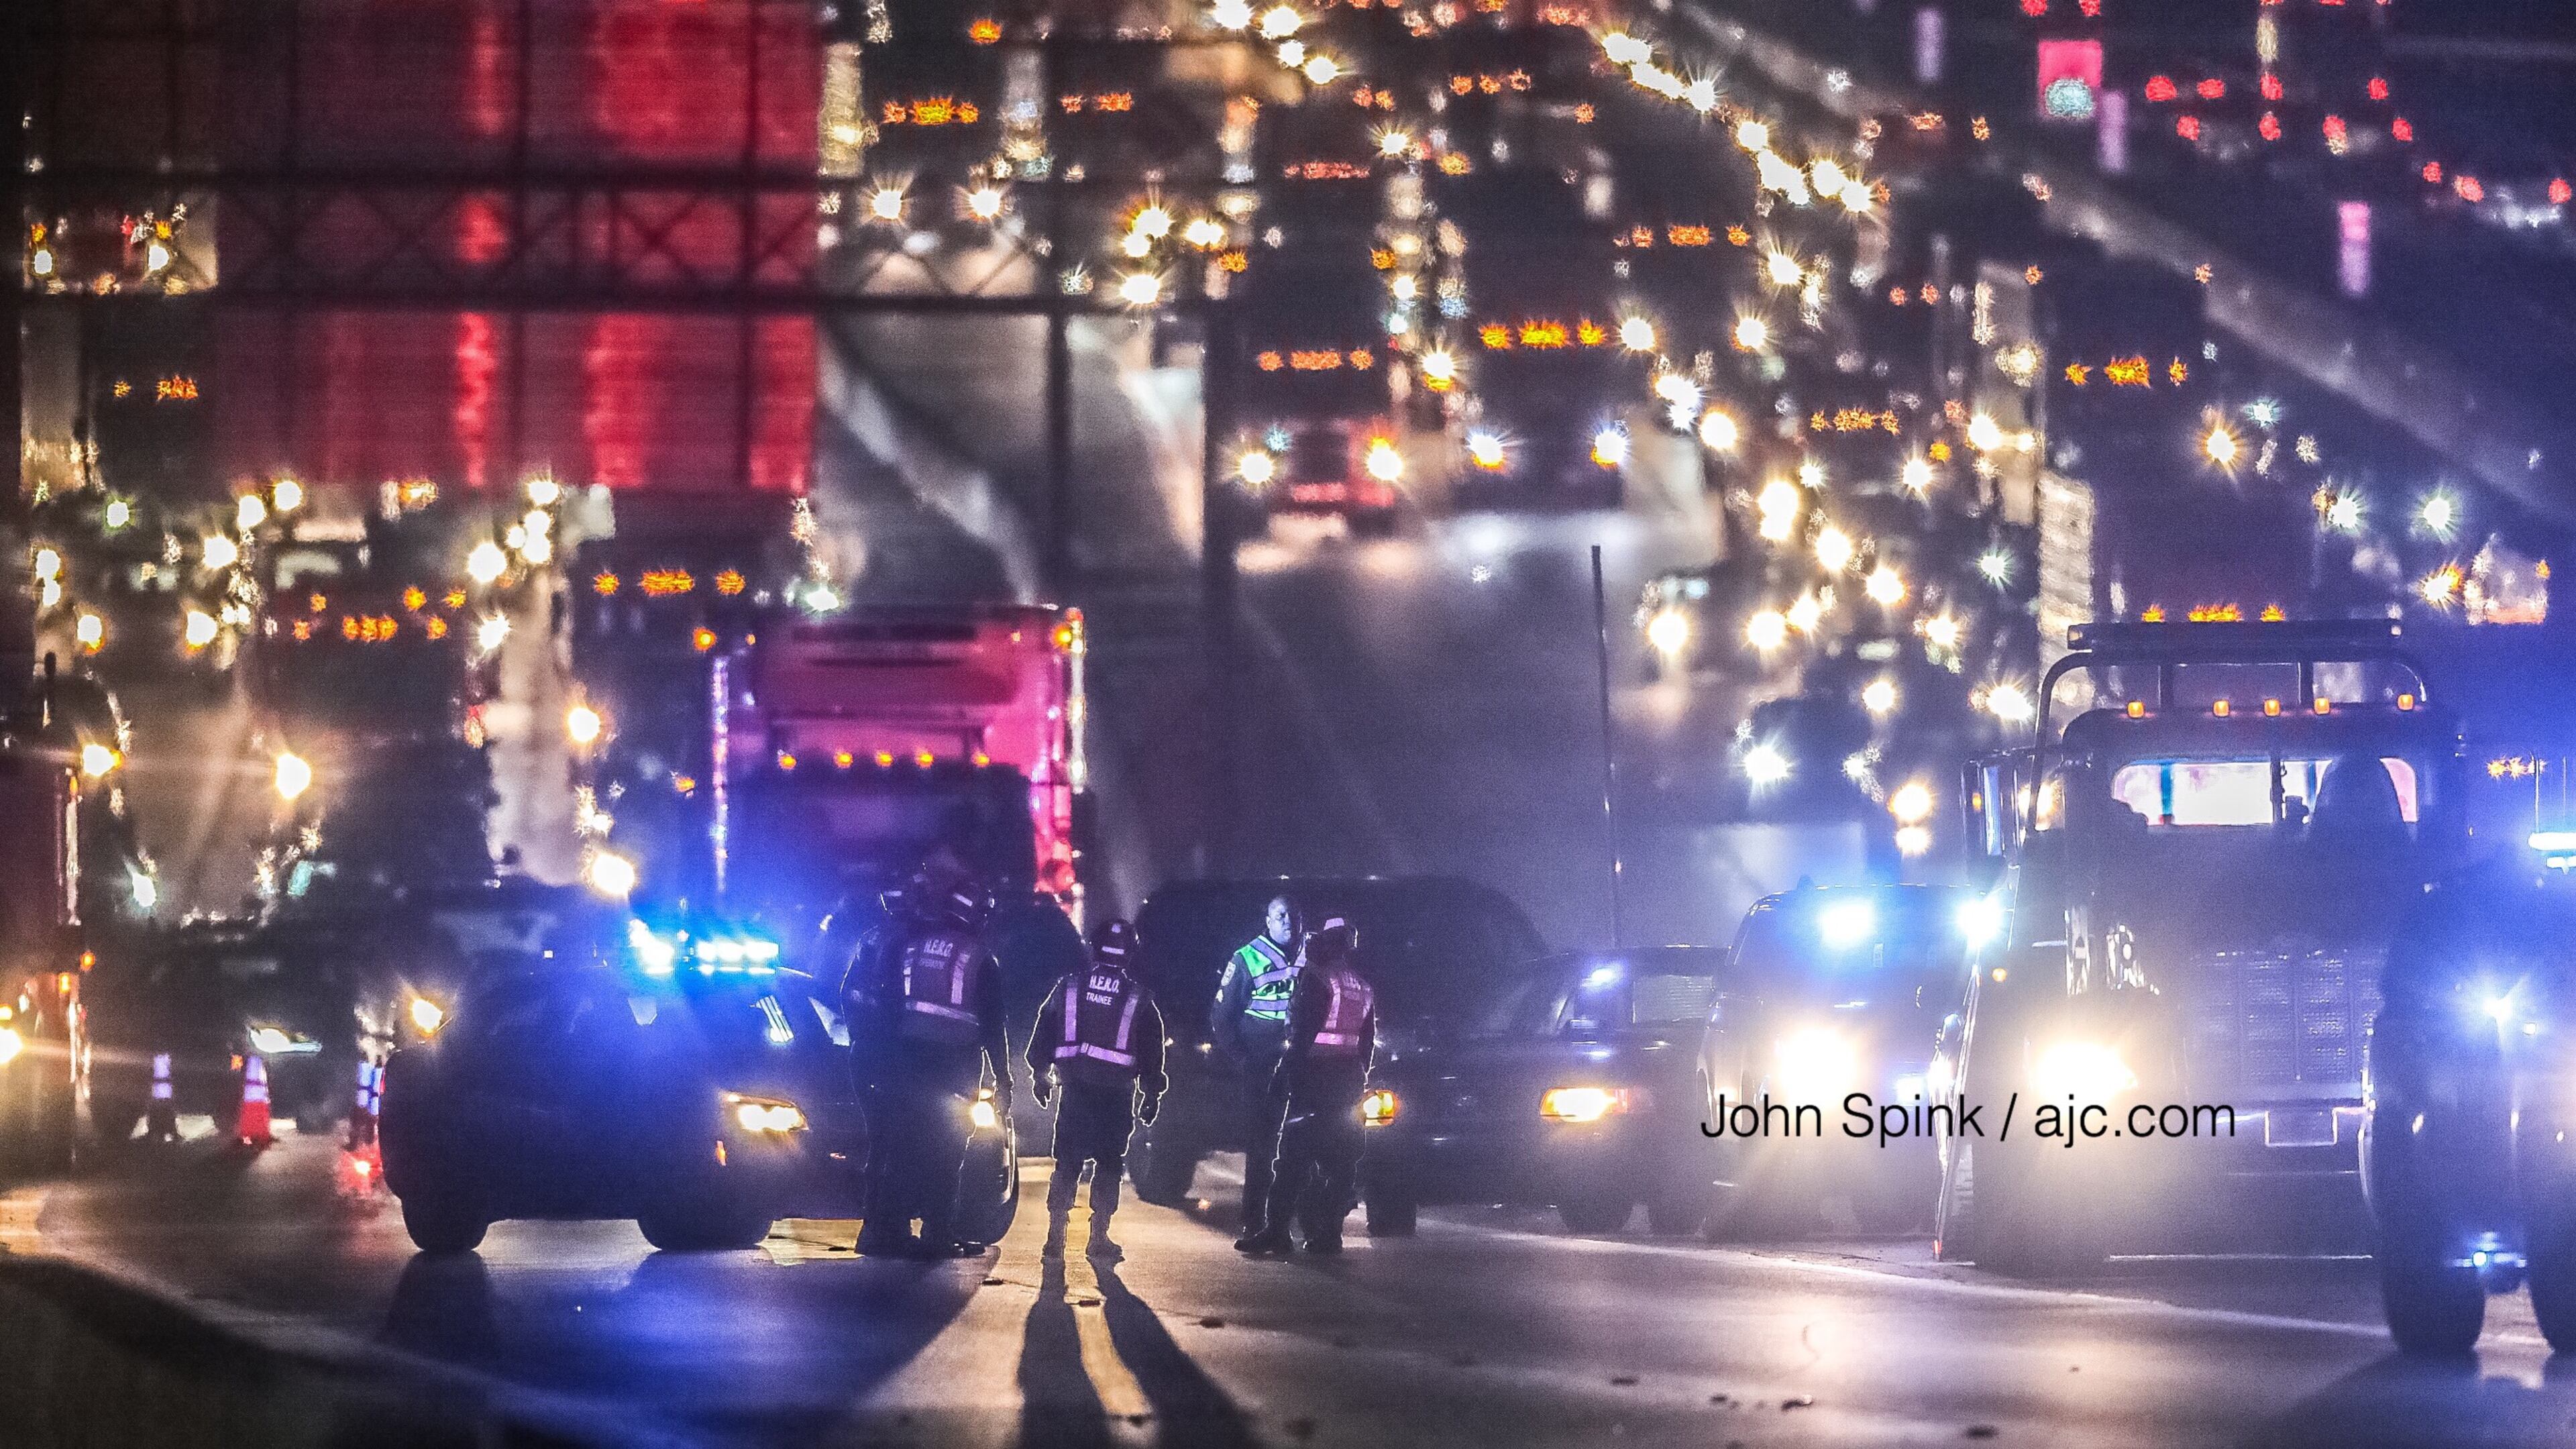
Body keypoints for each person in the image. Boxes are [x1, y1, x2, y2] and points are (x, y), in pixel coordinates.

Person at [845, 859, 1012, 1258]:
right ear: (978, 916)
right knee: (946, 1153)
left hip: (902, 1067)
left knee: (898, 1149)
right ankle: (936, 1236)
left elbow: (884, 1006)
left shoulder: (909, 947)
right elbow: (992, 1027)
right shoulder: (979, 958)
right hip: (953, 1071)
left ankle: (884, 1232)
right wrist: (1004, 1079)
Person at [1026, 918, 1167, 1261]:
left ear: (1093, 947)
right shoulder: (1138, 998)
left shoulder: (1069, 987)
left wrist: (1040, 1075)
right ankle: (1098, 1237)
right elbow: (1152, 1050)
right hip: (1116, 1096)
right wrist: (1151, 1094)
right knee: (1109, 1164)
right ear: (1130, 954)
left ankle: (1055, 1238)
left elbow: (1044, 1031)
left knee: (1068, 1164)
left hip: (1075, 1091)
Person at [1238, 913, 1376, 1256]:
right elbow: (1367, 1043)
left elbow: (1302, 1035)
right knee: (1341, 1162)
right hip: (1347, 1083)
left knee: (1292, 1160)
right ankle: (1329, 1236)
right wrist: (1359, 1081)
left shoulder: (1316, 978)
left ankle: (1277, 1232)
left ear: (1328, 943)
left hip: (1314, 1081)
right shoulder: (1362, 985)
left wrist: (1283, 1079)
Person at [1212, 895, 1302, 1248]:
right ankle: (1253, 1221)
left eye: (1293, 916)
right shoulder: (1247, 957)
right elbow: (1221, 1016)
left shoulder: (1309, 956)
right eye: (1280, 916)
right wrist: (1242, 1058)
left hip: (1297, 1060)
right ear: (1267, 920)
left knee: (1298, 1143)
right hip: (1260, 1059)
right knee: (1262, 1144)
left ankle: (1287, 1222)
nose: (1288, 923)